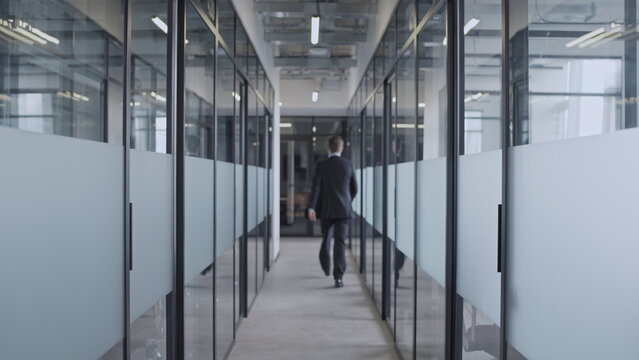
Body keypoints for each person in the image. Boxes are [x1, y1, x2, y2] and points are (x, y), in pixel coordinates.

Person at [307, 136, 358, 288]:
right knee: (340, 243)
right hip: (344, 210)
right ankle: (338, 277)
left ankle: (325, 264)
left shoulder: (322, 165)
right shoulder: (348, 164)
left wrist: (312, 207)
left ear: (328, 148)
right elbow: (354, 188)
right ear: (341, 148)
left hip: (327, 210)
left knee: (326, 238)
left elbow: (316, 187)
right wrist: (347, 200)